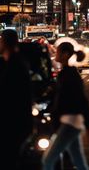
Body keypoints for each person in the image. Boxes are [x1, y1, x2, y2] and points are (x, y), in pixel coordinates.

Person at [42, 41, 89, 170]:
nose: (56, 54)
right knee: (79, 162)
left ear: (66, 54)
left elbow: (82, 100)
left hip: (69, 123)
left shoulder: (70, 75)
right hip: (71, 122)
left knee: (48, 160)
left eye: (59, 51)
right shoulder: (65, 74)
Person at [0, 29, 33, 170]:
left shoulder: (15, 65)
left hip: (13, 123)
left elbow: (11, 96)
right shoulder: (15, 63)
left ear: (5, 42)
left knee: (9, 160)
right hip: (16, 122)